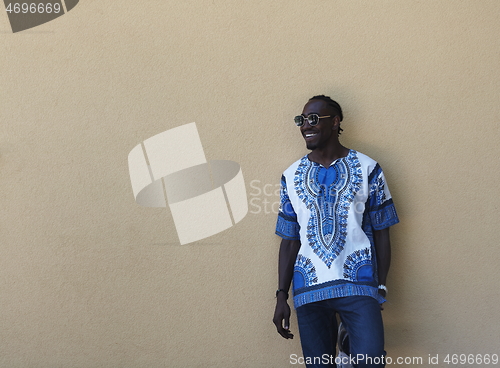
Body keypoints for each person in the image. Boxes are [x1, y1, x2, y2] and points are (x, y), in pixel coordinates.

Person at [272, 95, 399, 368]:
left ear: (335, 122)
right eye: (301, 120)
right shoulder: (291, 176)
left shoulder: (368, 168)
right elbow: (289, 241)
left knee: (371, 361)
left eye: (314, 119)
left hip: (358, 286)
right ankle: (343, 348)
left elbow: (382, 232)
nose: (306, 125)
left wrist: (381, 286)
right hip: (309, 291)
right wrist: (281, 296)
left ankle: (347, 347)